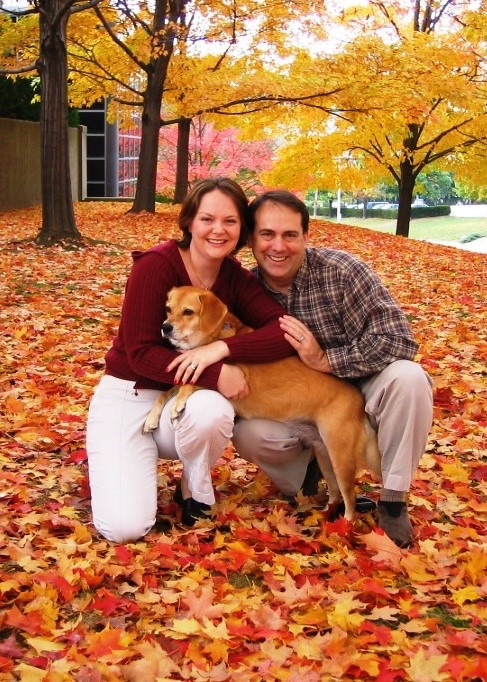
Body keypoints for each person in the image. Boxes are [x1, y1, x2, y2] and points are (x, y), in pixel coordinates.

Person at [86, 178, 295, 543]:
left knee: (212, 409)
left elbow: (280, 332)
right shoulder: (155, 267)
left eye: (230, 221)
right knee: (124, 528)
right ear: (188, 222)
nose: (218, 230)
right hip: (131, 396)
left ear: (241, 229)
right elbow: (140, 354)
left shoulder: (235, 278)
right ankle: (127, 462)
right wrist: (216, 374)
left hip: (181, 404)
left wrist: (222, 350)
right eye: (206, 219)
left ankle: (192, 487)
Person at [232, 190, 433, 547]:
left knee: (410, 379)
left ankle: (393, 499)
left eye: (290, 235)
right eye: (267, 234)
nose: (278, 246)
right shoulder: (246, 292)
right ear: (251, 239)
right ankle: (310, 475)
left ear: (306, 237)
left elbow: (399, 341)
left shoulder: (343, 272)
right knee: (248, 431)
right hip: (302, 403)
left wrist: (326, 360)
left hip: (367, 384)